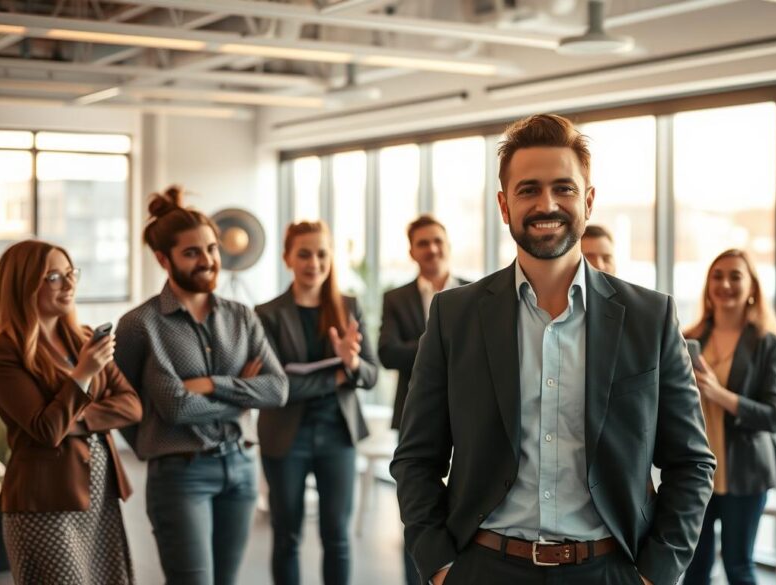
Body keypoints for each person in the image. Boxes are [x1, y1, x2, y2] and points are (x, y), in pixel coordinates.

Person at [391, 113, 715, 585]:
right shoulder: (453, 316)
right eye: (529, 190)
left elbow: (691, 461)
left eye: (564, 188)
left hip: (610, 570)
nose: (547, 203)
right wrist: (440, 565)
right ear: (504, 205)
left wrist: (657, 574)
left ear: (588, 200)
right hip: (484, 568)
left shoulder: (650, 318)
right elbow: (416, 458)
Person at [114, 186, 288, 585]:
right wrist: (242, 394)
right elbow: (160, 408)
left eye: (211, 248)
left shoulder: (241, 316)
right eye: (192, 252)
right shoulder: (141, 326)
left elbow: (277, 389)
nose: (208, 260)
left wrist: (210, 384)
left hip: (241, 467)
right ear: (163, 259)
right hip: (179, 474)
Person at [0, 240, 142, 584]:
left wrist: (77, 422)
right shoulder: (6, 350)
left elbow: (131, 405)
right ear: (25, 283)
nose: (69, 284)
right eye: (54, 277)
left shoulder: (85, 338)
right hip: (43, 503)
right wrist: (84, 373)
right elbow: (46, 430)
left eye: (70, 273)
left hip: (98, 497)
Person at [256, 220, 380, 585]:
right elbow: (275, 387)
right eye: (304, 254)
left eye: (322, 254)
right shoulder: (267, 314)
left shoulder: (349, 307)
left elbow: (370, 375)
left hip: (337, 436)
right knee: (287, 536)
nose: (314, 262)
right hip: (285, 438)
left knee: (337, 538)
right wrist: (336, 377)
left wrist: (353, 363)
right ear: (287, 258)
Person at [682, 249, 776, 585]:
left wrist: (720, 395)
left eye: (735, 276)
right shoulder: (688, 338)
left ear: (752, 288)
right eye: (717, 276)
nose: (725, 284)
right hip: (695, 471)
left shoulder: (768, 344)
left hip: (745, 472)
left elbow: (774, 416)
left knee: (738, 565)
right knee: (694, 568)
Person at [378, 214, 469, 585]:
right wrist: (439, 343)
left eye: (437, 241)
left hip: (468, 415)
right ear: (412, 251)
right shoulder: (395, 298)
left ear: (447, 244)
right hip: (415, 415)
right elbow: (387, 353)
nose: (431, 249)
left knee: (466, 506)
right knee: (418, 510)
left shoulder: (475, 293)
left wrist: (419, 344)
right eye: (422, 243)